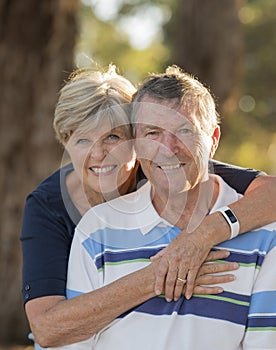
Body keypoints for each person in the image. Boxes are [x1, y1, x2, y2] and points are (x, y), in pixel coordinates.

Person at [20, 65, 276, 348]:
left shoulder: (168, 168)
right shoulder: (57, 211)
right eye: (82, 139)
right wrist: (162, 272)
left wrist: (202, 235)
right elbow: (48, 329)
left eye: (113, 138)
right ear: (66, 144)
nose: (99, 153)